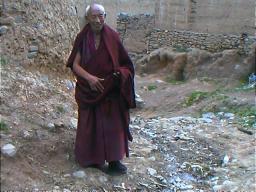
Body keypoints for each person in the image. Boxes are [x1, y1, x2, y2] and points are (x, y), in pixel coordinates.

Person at [66, 3, 136, 175]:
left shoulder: (113, 37)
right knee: (91, 124)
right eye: (94, 16)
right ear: (87, 18)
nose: (98, 20)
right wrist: (89, 78)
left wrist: (120, 75)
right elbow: (75, 64)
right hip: (89, 90)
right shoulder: (83, 37)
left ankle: (114, 161)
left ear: (105, 16)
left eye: (101, 16)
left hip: (110, 90)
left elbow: (126, 64)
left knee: (113, 126)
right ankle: (92, 159)